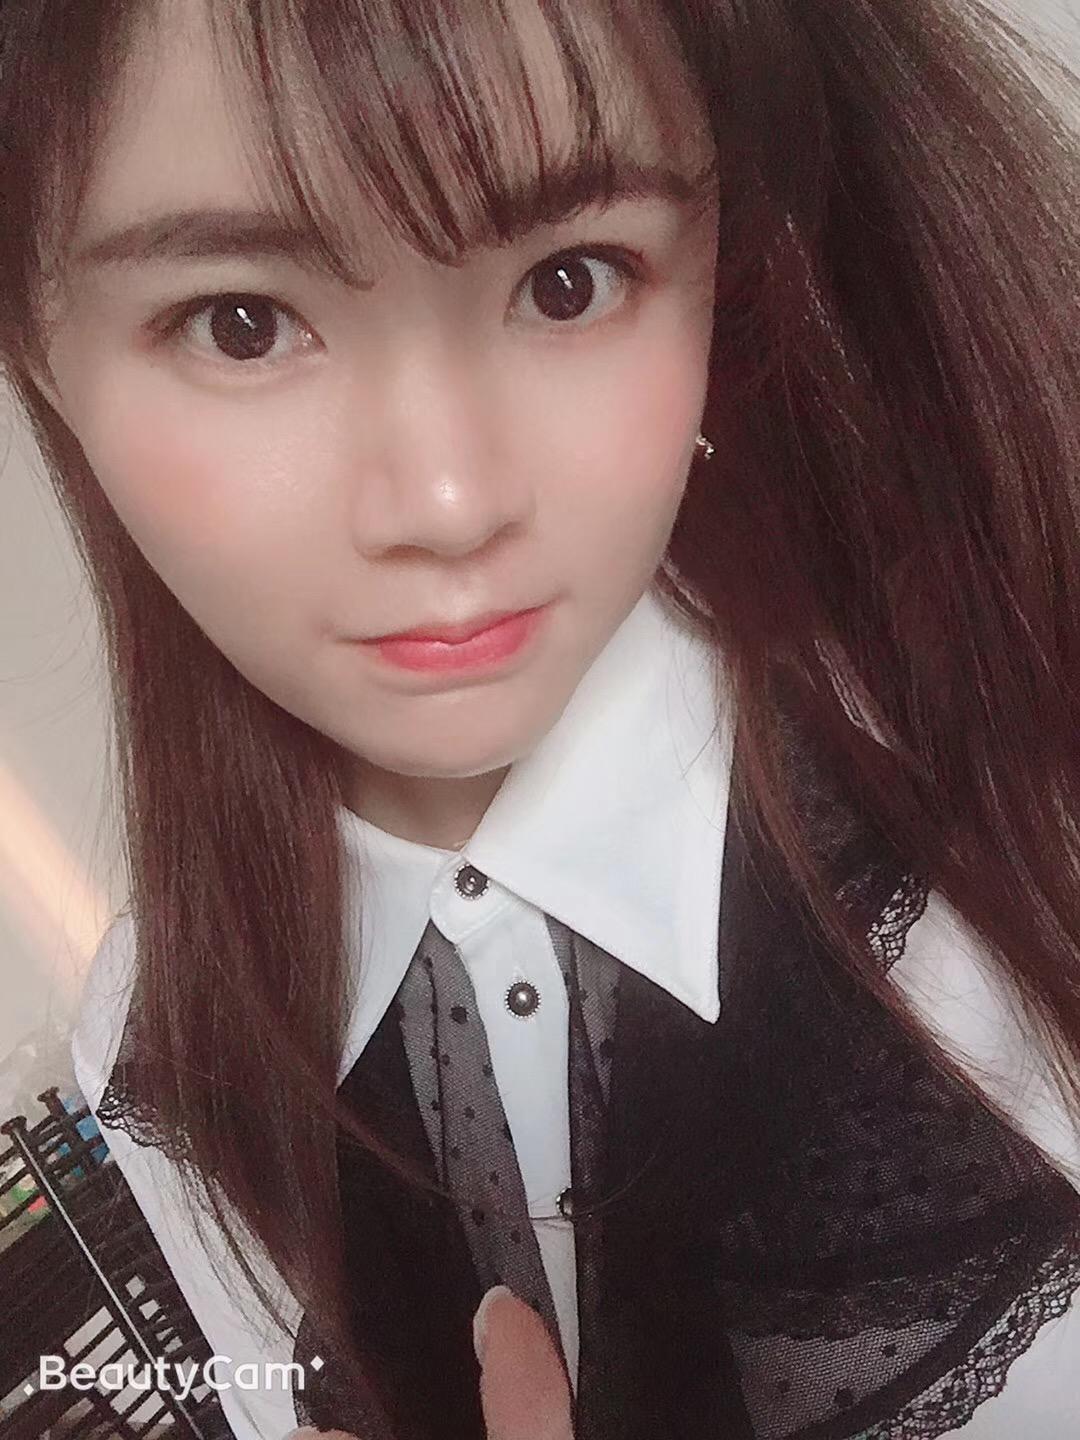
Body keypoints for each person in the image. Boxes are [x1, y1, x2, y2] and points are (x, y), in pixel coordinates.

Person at [3, 0, 1080, 1434]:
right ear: (41, 353)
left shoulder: (1009, 834)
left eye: (571, 283)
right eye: (242, 323)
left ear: (720, 266)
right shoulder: (158, 1038)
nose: (450, 503)